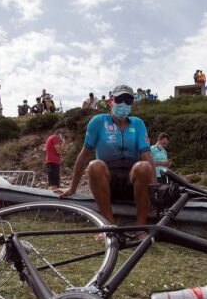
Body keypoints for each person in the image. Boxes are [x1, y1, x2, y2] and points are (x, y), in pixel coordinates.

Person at [57, 84, 155, 235]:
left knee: (144, 166)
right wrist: (72, 188)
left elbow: (147, 156)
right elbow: (84, 155)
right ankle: (109, 226)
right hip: (107, 183)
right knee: (94, 165)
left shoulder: (138, 123)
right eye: (120, 99)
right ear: (111, 101)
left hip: (132, 182)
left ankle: (140, 228)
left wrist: (155, 190)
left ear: (132, 104)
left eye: (128, 101)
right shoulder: (98, 121)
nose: (124, 104)